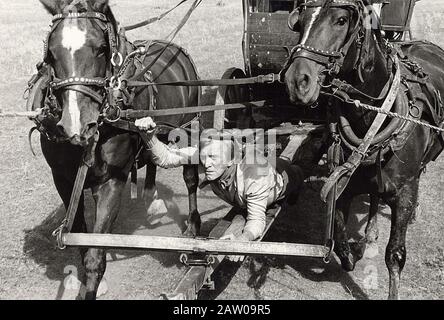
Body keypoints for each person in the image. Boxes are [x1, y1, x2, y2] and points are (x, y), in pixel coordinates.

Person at [135, 117, 324, 260]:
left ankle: (300, 142)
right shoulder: (208, 153)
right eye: (204, 157)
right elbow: (166, 158)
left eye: (214, 159)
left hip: (280, 180)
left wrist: (244, 240)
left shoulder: (254, 175)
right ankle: (292, 146)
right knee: (279, 160)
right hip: (250, 181)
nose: (206, 164)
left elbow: (257, 221)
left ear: (231, 159)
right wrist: (148, 136)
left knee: (297, 169)